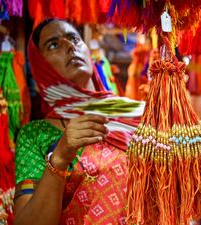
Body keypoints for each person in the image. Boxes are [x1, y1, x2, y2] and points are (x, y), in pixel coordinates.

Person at [14, 19, 142, 225]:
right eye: (54, 44)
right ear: (40, 66)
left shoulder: (135, 115)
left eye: (74, 39)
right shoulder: (36, 134)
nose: (70, 45)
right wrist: (59, 158)